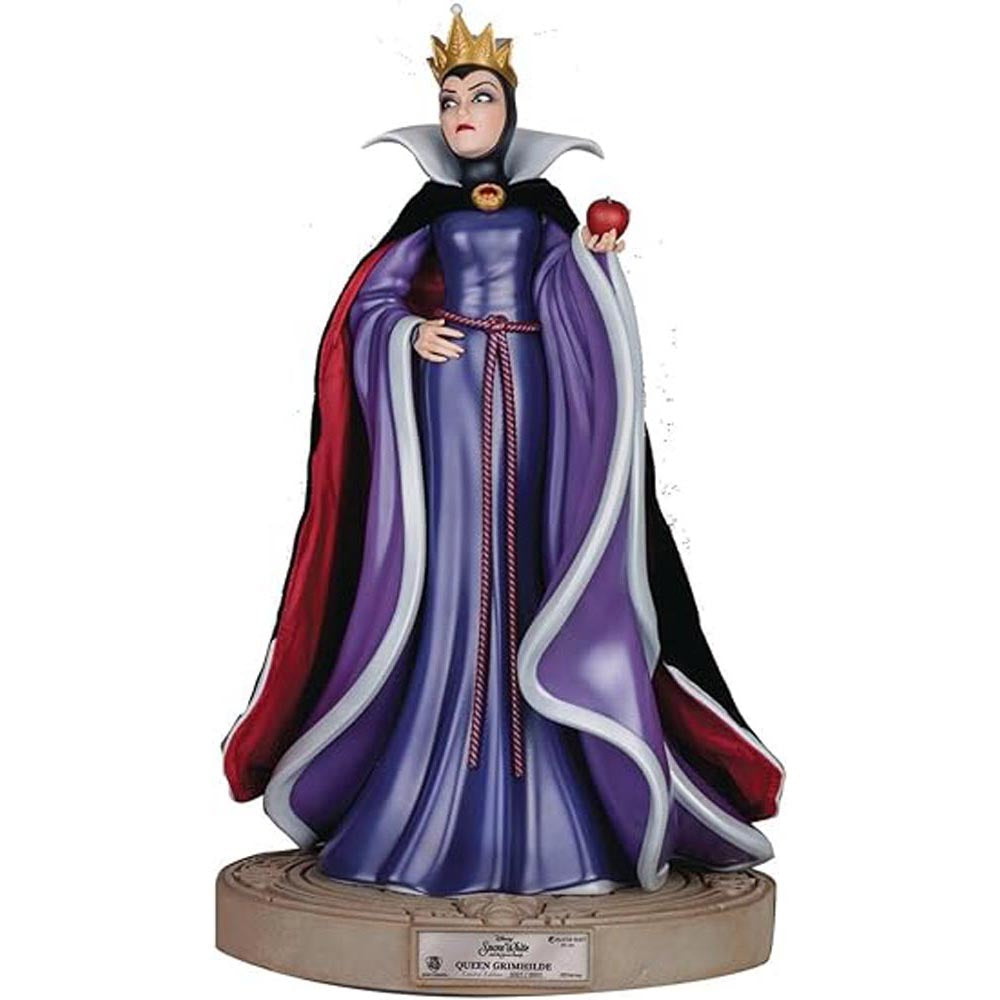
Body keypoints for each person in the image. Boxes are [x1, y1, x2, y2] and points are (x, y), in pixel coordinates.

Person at [221, 5, 784, 896]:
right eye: (449, 101)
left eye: (479, 97)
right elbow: (370, 305)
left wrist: (593, 253)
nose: (462, 115)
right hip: (448, 403)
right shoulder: (431, 211)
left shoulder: (542, 209)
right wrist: (407, 334)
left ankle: (554, 791)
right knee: (456, 573)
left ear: (510, 112)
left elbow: (569, 286)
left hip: (532, 391)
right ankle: (433, 773)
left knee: (529, 564)